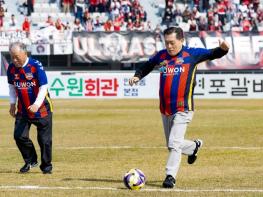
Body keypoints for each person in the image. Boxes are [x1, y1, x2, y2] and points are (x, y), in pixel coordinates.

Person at [129, 26, 229, 188]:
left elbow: (214, 53)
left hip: (184, 107)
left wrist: (224, 49)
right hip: (165, 108)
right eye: (167, 43)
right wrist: (137, 76)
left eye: (172, 43)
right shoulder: (162, 56)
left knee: (174, 143)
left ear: (182, 40)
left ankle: (170, 176)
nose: (169, 46)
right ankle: (194, 147)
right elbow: (147, 66)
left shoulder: (192, 55)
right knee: (172, 143)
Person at [7, 42, 53, 174]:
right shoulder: (11, 68)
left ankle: (46, 167)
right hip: (23, 109)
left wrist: (37, 104)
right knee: (19, 136)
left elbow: (43, 86)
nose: (14, 60)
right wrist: (12, 103)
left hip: (42, 108)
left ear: (24, 53)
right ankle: (31, 160)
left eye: (16, 57)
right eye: (12, 57)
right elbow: (11, 86)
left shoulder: (35, 66)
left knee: (45, 141)